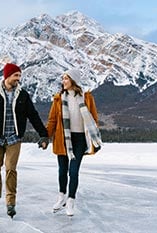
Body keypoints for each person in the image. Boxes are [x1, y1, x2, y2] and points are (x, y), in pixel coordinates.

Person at [0, 63, 49, 218]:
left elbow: (33, 115)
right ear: (7, 76)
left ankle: (10, 202)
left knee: (11, 169)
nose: (18, 79)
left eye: (19, 76)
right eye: (15, 76)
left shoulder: (23, 95)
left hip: (14, 139)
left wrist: (43, 135)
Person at [46, 69, 102, 216]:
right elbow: (52, 120)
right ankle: (61, 197)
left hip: (79, 139)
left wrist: (93, 137)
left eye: (66, 78)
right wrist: (46, 137)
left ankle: (71, 200)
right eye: (63, 78)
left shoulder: (87, 98)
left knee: (74, 171)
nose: (63, 81)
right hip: (62, 138)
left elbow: (94, 119)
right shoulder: (58, 98)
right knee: (62, 170)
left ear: (74, 80)